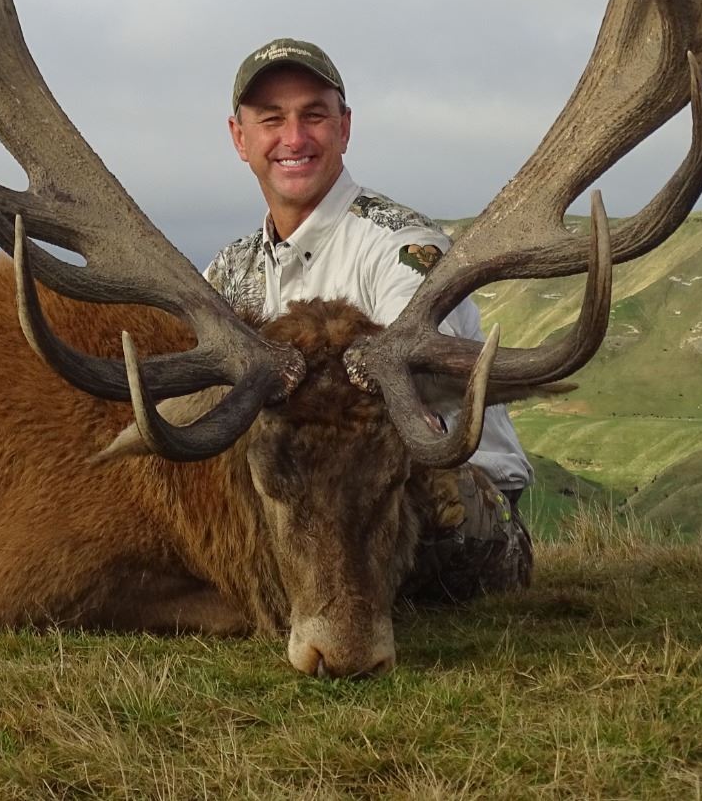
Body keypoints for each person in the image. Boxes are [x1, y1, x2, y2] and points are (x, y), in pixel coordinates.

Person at [203, 37, 533, 600]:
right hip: (309, 498)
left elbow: (416, 402)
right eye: (271, 119)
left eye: (314, 116)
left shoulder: (401, 249)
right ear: (240, 137)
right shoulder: (229, 270)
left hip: (449, 499)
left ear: (345, 127)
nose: (294, 138)